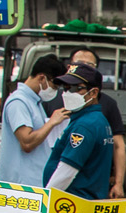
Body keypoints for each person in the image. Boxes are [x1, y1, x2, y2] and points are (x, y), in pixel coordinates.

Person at [42, 62, 116, 199]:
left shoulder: (84, 125)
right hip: (85, 202)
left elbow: (67, 171)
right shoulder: (97, 120)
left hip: (73, 204)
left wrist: (44, 200)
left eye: (75, 88)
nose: (67, 93)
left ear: (93, 92)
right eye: (65, 88)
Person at [0, 54, 67, 187]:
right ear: (42, 78)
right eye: (54, 85)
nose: (55, 91)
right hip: (21, 185)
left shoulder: (34, 102)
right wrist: (52, 122)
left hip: (33, 182)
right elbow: (27, 142)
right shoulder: (18, 102)